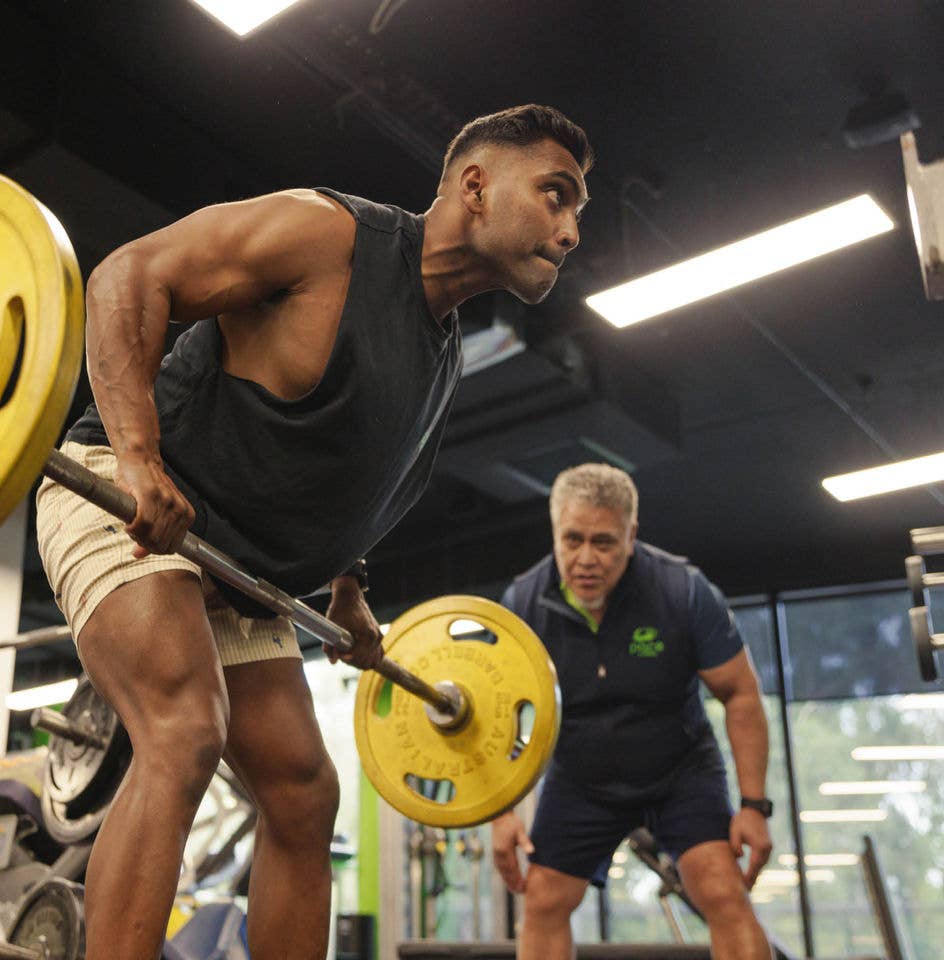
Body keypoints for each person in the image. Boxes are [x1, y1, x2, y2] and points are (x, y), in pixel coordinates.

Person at [35, 104, 593, 960]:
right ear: (475, 186)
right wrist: (138, 456)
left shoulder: (441, 352)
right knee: (185, 733)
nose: (570, 230)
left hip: (234, 564)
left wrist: (350, 589)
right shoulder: (329, 237)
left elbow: (346, 479)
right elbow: (126, 275)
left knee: (303, 793)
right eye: (556, 196)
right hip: (124, 495)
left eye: (577, 211)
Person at [491, 463, 774, 959]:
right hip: (581, 777)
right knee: (542, 901)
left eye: (603, 542)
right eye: (571, 539)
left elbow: (740, 694)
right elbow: (499, 714)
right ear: (554, 531)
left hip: (679, 770)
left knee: (723, 892)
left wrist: (754, 807)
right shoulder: (523, 603)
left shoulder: (683, 591)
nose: (585, 558)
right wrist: (502, 813)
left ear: (631, 534)